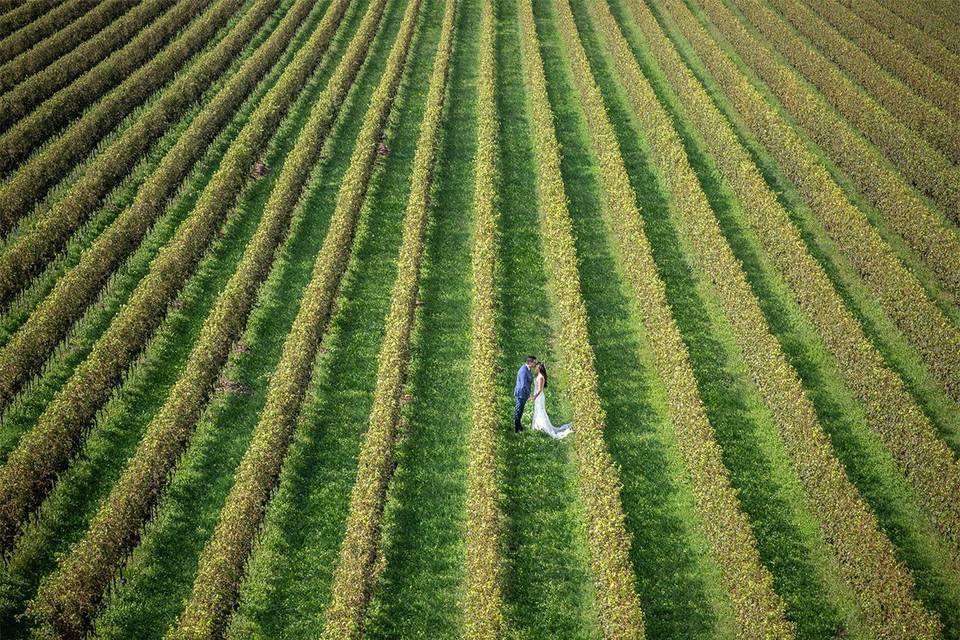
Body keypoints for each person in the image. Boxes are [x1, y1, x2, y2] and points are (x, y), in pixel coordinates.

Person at [531, 362, 570, 439]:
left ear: (539, 368)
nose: (535, 368)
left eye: (536, 367)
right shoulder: (538, 375)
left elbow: (540, 390)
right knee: (537, 410)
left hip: (539, 397)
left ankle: (543, 427)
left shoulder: (541, 377)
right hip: (537, 396)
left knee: (541, 410)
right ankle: (538, 426)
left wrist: (534, 397)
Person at [513, 355, 537, 433]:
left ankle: (519, 426)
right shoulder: (523, 370)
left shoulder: (528, 369)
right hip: (521, 393)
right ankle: (517, 429)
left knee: (520, 410)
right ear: (530, 362)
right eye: (534, 362)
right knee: (518, 410)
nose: (535, 364)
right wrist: (529, 394)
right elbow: (523, 384)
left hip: (523, 394)